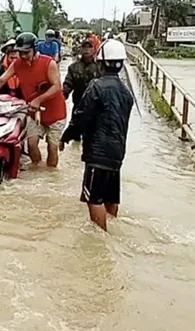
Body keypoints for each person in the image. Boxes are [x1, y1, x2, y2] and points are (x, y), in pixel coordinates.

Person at [60, 39, 133, 231]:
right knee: (110, 197)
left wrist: (66, 136)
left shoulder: (96, 86)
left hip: (98, 154)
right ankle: (112, 231)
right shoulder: (126, 92)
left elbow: (80, 117)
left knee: (94, 199)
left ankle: (102, 240)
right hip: (117, 153)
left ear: (100, 63)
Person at [0, 32, 67, 167]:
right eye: (20, 52)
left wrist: (39, 99)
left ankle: (51, 174)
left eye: (26, 52)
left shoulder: (49, 63)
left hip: (55, 113)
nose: (22, 56)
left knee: (52, 147)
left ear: (35, 49)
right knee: (31, 144)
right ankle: (36, 170)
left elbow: (57, 86)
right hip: (33, 112)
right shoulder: (17, 64)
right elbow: (1, 80)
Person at [63, 38, 99, 112]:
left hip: (95, 109)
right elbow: (67, 84)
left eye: (89, 47)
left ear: (94, 50)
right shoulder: (73, 67)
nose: (87, 49)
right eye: (84, 47)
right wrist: (61, 97)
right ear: (81, 49)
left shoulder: (100, 68)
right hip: (78, 107)